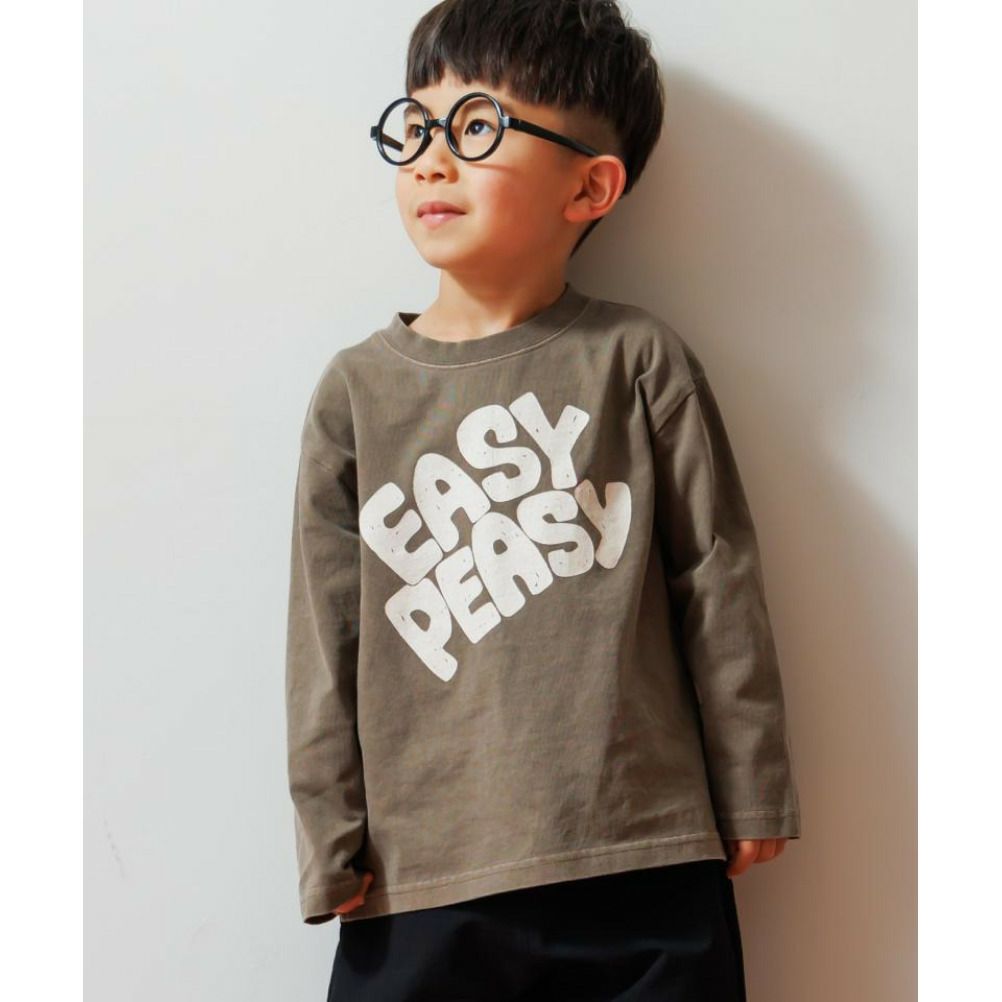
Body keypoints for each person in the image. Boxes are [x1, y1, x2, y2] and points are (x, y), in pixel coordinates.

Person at [284, 1, 802, 998]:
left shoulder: (637, 361)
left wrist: (753, 778)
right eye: (417, 126)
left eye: (477, 127)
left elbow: (717, 577)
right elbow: (323, 633)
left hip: (641, 855)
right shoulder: (357, 393)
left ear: (589, 186)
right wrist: (326, 831)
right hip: (422, 876)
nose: (432, 160)